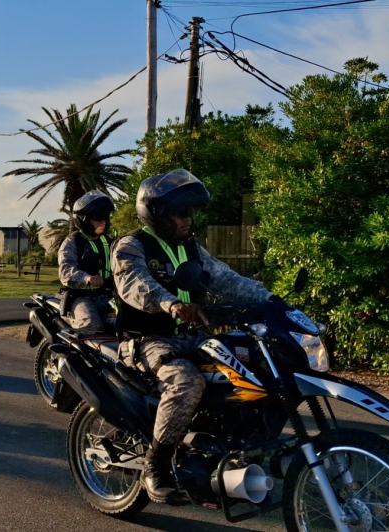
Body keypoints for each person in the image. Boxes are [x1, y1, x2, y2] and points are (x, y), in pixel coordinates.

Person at [110, 169, 273, 503]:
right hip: (149, 341)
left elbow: (227, 279)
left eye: (190, 213)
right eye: (181, 213)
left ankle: (227, 447)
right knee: (187, 382)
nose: (188, 220)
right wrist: (169, 304)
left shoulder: (191, 247)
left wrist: (271, 300)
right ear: (156, 213)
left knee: (251, 365)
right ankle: (155, 466)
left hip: (193, 336)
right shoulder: (131, 247)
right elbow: (136, 285)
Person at [57, 190, 116, 336]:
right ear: (83, 219)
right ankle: (77, 358)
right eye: (98, 217)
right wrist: (87, 278)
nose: (103, 221)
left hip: (108, 296)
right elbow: (65, 271)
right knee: (91, 327)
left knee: (133, 322)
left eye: (106, 217)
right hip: (80, 297)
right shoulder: (72, 242)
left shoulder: (112, 243)